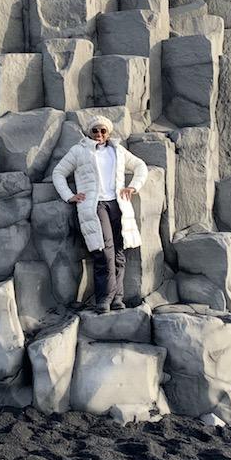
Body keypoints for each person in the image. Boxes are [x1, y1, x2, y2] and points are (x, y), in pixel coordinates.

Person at [52, 115, 148, 313]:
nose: (99, 134)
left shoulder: (118, 150)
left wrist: (133, 187)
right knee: (105, 252)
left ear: (109, 132)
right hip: (95, 206)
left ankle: (116, 299)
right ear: (89, 132)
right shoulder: (79, 151)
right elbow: (58, 173)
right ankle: (103, 299)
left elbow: (140, 167)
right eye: (95, 130)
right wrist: (69, 195)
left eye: (103, 131)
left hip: (118, 204)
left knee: (119, 253)